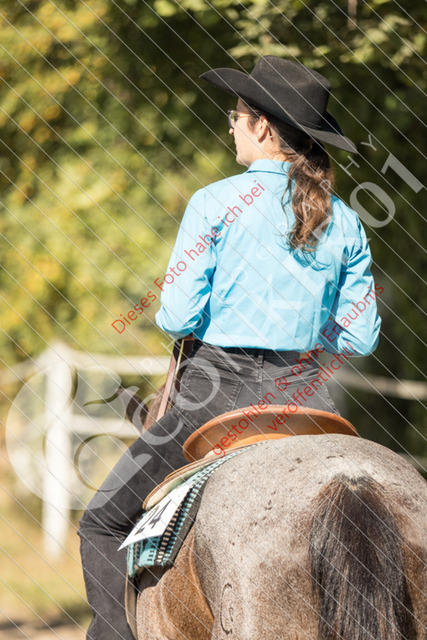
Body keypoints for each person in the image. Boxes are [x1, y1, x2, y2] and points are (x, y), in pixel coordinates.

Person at [79, 56, 381, 639]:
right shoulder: (344, 220)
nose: (232, 126)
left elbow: (177, 316)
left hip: (214, 398)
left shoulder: (214, 202)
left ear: (262, 127)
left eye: (236, 117)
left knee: (101, 522)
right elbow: (360, 336)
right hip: (306, 404)